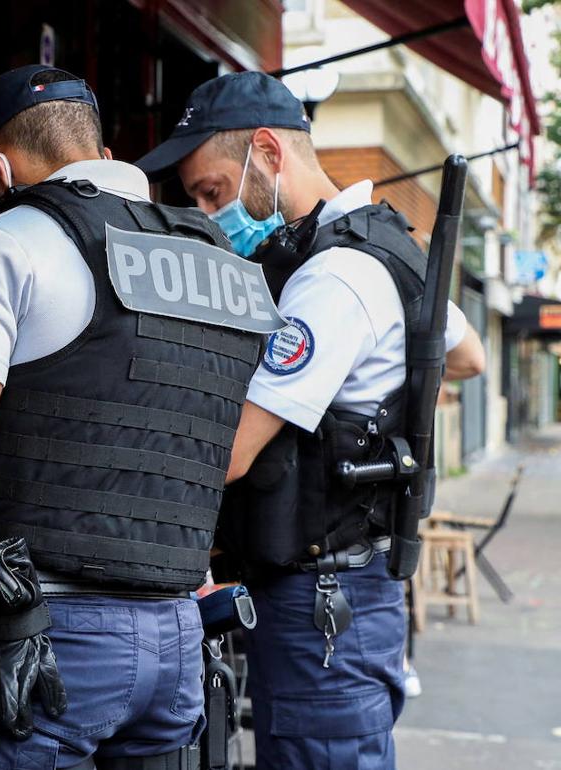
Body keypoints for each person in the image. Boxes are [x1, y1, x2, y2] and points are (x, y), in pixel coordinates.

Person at [0, 65, 280, 770]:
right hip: (180, 634)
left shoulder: (2, 244)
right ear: (100, 148)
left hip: (44, 645)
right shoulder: (222, 264)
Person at [135, 71, 486, 769]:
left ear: (268, 151)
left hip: (323, 602)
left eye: (212, 191)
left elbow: (234, 453)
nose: (210, 212)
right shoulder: (381, 244)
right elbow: (467, 354)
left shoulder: (333, 279)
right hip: (346, 593)